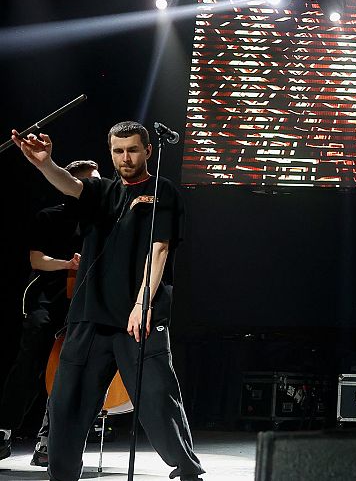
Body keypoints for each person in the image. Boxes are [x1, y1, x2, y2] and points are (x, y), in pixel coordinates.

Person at [11, 122, 204, 481]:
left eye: (132, 149)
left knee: (158, 397)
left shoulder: (162, 191)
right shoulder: (100, 191)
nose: (125, 157)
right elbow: (70, 184)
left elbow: (159, 250)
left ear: (148, 150)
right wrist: (45, 163)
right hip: (90, 315)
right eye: (118, 150)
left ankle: (187, 470)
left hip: (139, 318)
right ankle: (62, 475)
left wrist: (142, 304)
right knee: (66, 402)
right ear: (111, 153)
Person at [0, 160, 99, 467]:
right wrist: (67, 264)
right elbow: (37, 260)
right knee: (29, 366)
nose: (98, 187)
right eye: (91, 182)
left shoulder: (102, 221)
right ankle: (4, 431)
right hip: (46, 298)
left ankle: (48, 440)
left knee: (66, 373)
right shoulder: (49, 216)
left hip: (84, 304)